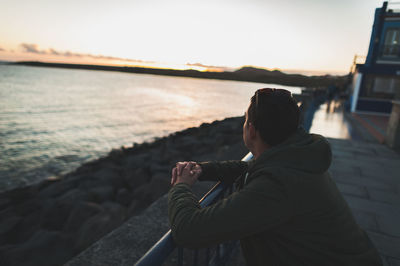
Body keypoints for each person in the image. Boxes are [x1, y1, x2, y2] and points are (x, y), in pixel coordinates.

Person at [168, 88, 382, 266]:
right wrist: (203, 169)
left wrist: (181, 186)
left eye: (245, 120)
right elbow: (249, 168)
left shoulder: (278, 185)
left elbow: (189, 230)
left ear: (251, 130)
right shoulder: (296, 158)